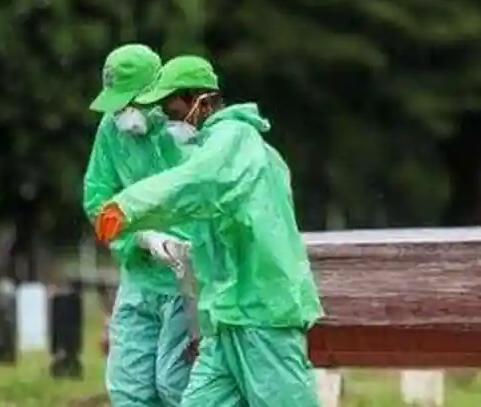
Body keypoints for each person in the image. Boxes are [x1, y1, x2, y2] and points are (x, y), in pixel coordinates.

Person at [93, 55, 324, 407]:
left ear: (198, 100)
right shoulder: (212, 147)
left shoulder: (235, 139)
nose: (166, 118)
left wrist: (128, 208)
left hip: (265, 314)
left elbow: (194, 183)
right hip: (227, 316)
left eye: (169, 107)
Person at [83, 44, 195, 407]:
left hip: (187, 280)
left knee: (176, 385)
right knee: (129, 389)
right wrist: (139, 239)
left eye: (128, 101)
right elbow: (98, 201)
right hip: (138, 277)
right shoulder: (111, 132)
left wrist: (182, 245)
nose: (121, 112)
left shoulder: (184, 131)